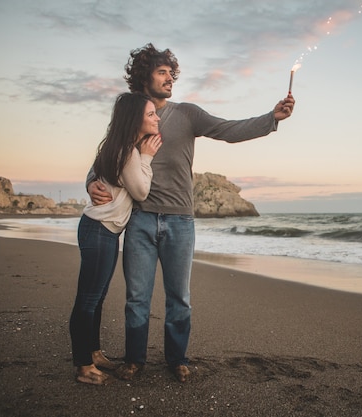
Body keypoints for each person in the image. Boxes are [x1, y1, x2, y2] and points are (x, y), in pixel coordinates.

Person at [87, 43, 295, 383]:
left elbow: (229, 130)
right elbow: (105, 156)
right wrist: (90, 181)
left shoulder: (187, 114)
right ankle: (135, 359)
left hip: (180, 220)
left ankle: (177, 358)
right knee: (136, 297)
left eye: (172, 73)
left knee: (179, 298)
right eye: (162, 72)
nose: (170, 79)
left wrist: (271, 119)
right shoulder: (130, 117)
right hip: (139, 219)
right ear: (144, 76)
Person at [70, 92, 163, 385]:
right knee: (87, 300)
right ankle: (83, 366)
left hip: (101, 229)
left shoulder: (118, 146)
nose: (157, 118)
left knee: (96, 299)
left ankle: (94, 352)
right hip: (100, 230)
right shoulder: (129, 152)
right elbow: (141, 192)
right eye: (151, 114)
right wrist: (147, 158)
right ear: (136, 119)